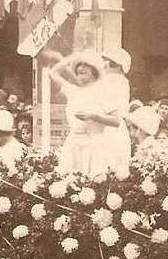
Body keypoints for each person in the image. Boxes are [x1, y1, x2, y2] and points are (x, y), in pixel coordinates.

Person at [44, 50, 120, 178]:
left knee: (93, 182)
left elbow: (116, 121)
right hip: (73, 143)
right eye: (79, 68)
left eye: (86, 67)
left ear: (94, 71)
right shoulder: (73, 91)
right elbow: (53, 73)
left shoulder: (104, 91)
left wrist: (94, 116)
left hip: (95, 144)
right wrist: (71, 57)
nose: (81, 69)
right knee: (70, 182)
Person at [101, 47, 133, 178]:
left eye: (105, 60)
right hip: (114, 128)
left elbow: (107, 107)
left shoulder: (114, 80)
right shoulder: (121, 81)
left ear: (113, 63)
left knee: (108, 166)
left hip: (109, 128)